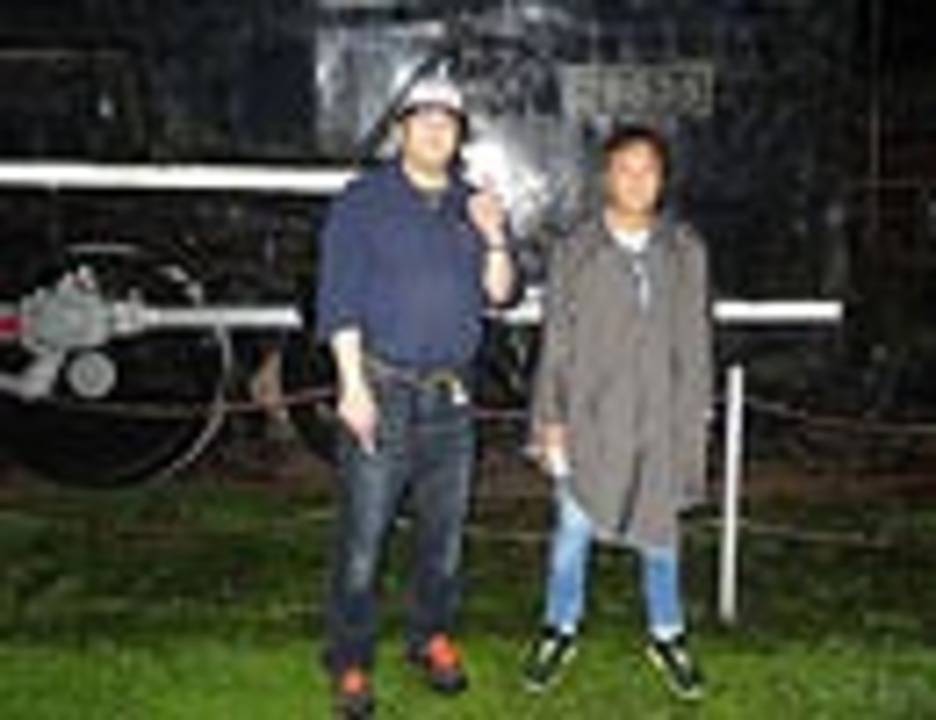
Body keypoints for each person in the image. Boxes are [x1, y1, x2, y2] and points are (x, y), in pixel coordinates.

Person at [315, 75, 514, 719]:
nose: (435, 129)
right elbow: (339, 297)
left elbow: (501, 294)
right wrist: (352, 386)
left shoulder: (470, 203)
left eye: (447, 120)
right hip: (382, 389)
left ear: (459, 135)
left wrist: (495, 235)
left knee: (444, 539)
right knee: (363, 541)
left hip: (452, 398)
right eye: (423, 117)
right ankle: (349, 660)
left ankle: (429, 637)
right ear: (401, 128)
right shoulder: (363, 200)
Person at [523, 124, 712, 701]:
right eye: (625, 169)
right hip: (590, 416)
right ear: (607, 177)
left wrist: (696, 412)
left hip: (659, 414)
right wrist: (550, 421)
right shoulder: (576, 251)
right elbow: (557, 341)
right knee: (572, 530)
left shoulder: (684, 250)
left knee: (661, 533)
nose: (637, 180)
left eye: (648, 169)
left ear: (662, 179)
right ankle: (559, 628)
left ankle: (667, 633)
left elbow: (695, 340)